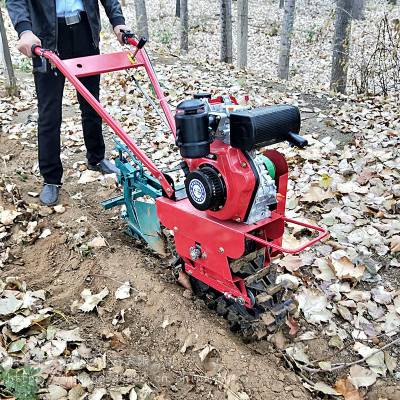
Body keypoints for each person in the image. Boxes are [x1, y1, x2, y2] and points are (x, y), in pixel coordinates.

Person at [6, 0, 129, 206]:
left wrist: (117, 21)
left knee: (91, 103)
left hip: (84, 32)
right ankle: (51, 179)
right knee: (49, 112)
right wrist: (24, 30)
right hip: (47, 37)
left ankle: (97, 158)